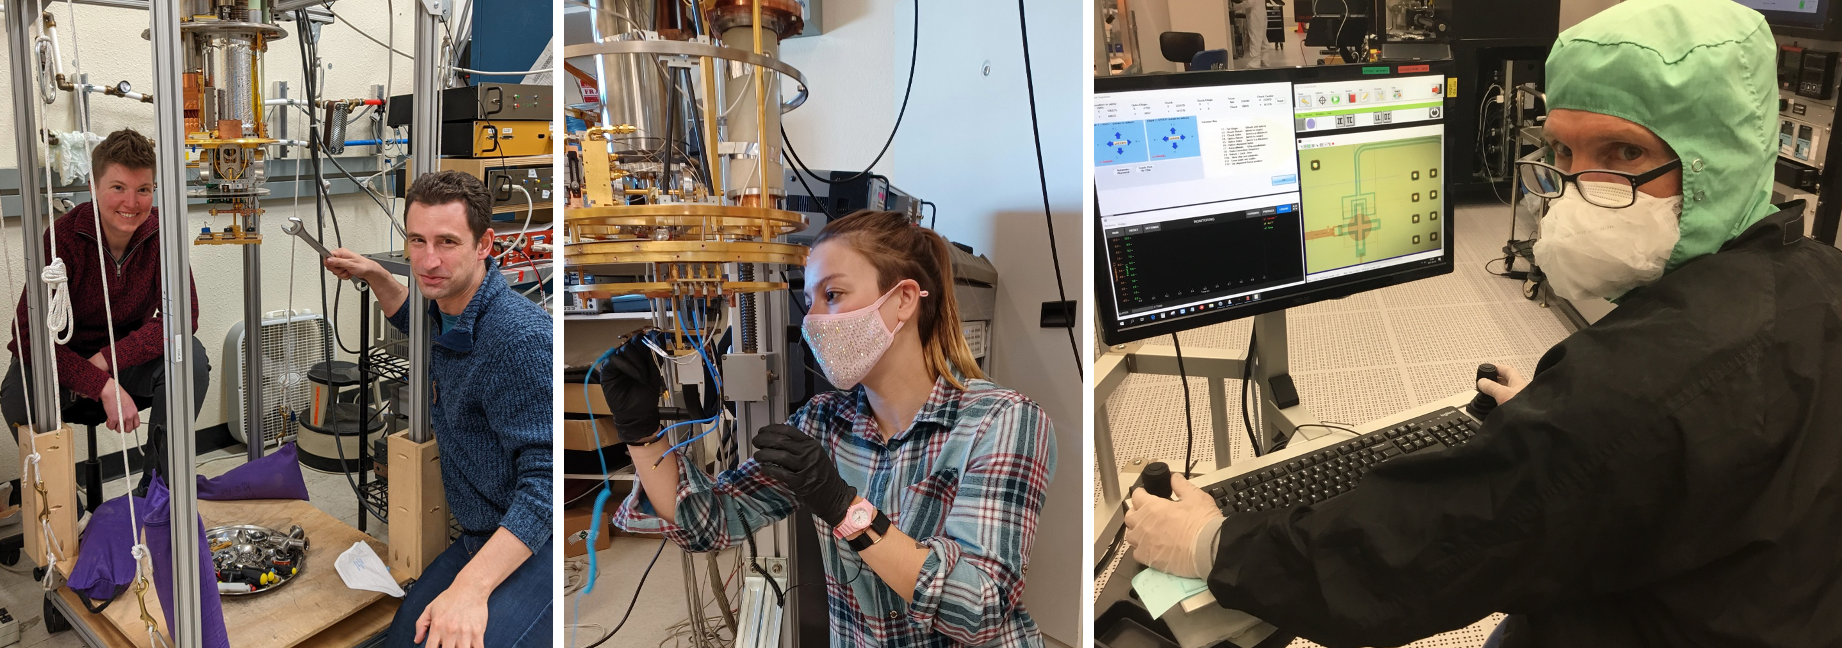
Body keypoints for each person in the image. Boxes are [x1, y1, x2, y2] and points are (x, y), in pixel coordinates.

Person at [1123, 0, 1842, 646]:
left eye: (1623, 154)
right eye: (1564, 152)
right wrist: (1565, 421)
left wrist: (1212, 543)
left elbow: (1414, 556)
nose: (1582, 190)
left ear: (1719, 155)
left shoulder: (1633, 389)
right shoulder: (1818, 276)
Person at [604, 211, 1058, 647]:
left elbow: (977, 612)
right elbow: (709, 521)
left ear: (903, 299)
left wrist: (845, 508)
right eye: (810, 303)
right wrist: (642, 434)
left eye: (833, 295)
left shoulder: (1001, 421)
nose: (813, 321)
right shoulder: (822, 423)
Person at [321, 170, 552, 648]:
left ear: (485, 244)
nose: (428, 260)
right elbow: (414, 316)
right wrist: (378, 276)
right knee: (401, 641)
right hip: (477, 535)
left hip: (533, 545)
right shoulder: (448, 306)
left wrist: (471, 587)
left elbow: (545, 487)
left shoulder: (517, 339)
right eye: (417, 241)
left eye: (447, 242)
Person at [0, 128, 206, 506]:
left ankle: (156, 492)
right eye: (118, 188)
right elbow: (28, 338)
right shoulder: (61, 240)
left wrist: (110, 361)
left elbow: (183, 316)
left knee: (188, 357)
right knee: (17, 396)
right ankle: (68, 514)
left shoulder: (162, 235)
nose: (131, 202)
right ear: (94, 188)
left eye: (144, 189)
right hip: (68, 366)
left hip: (124, 360)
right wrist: (101, 383)